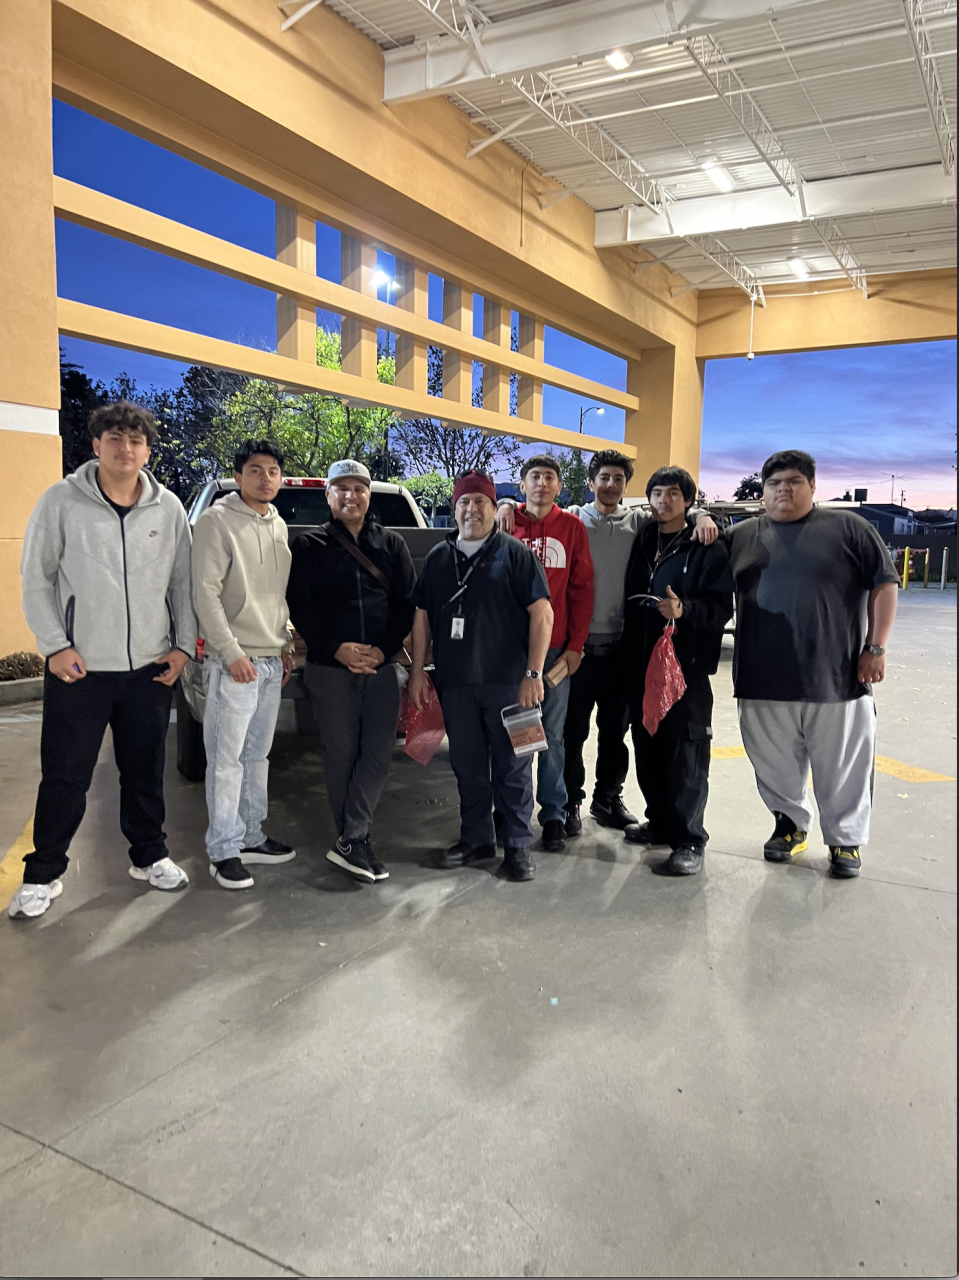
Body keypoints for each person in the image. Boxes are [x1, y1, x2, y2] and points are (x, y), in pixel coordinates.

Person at [10, 401, 195, 920]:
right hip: (81, 670)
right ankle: (43, 873)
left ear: (148, 450)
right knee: (66, 775)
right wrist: (55, 644)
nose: (125, 449)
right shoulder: (61, 501)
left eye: (135, 441)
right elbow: (36, 578)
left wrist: (183, 646)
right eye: (114, 438)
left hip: (149, 669)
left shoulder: (168, 509)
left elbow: (182, 585)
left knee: (144, 772)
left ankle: (149, 855)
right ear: (96, 445)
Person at [498, 450, 717, 837]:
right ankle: (569, 802)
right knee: (569, 732)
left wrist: (703, 515)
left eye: (618, 479)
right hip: (569, 649)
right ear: (590, 482)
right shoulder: (574, 518)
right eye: (604, 477)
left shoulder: (639, 522)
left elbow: (674, 514)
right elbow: (526, 510)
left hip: (619, 647)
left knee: (615, 732)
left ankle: (607, 796)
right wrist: (504, 504)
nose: (611, 485)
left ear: (626, 485)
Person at [725, 449, 899, 879]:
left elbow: (884, 584)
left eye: (794, 482)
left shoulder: (848, 529)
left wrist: (876, 647)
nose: (783, 490)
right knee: (773, 762)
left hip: (836, 675)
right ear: (762, 491)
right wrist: (700, 520)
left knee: (843, 764)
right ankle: (790, 825)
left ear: (813, 486)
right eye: (774, 483)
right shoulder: (740, 536)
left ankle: (844, 840)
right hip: (761, 675)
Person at [411, 469, 553, 882]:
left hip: (511, 685)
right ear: (454, 509)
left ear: (494, 507)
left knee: (515, 767)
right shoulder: (439, 558)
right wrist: (418, 672)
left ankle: (518, 845)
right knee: (468, 766)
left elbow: (542, 614)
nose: (471, 510)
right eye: (464, 503)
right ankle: (476, 839)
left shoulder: (516, 555)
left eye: (480, 502)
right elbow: (422, 617)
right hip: (456, 684)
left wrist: (534, 673)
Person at [287, 459, 416, 884]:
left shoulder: (392, 544)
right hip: (330, 668)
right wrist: (336, 649)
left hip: (381, 668)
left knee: (378, 753)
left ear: (368, 495)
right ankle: (355, 840)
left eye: (358, 488)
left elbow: (406, 605)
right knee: (341, 754)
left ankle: (352, 838)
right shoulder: (309, 546)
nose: (350, 496)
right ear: (328, 496)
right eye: (341, 488)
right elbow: (300, 607)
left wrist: (383, 651)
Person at [192, 440, 295, 891]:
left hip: (270, 659)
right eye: (255, 470)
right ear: (238, 476)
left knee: (257, 757)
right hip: (235, 662)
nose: (265, 478)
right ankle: (223, 851)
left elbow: (276, 596)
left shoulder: (278, 524)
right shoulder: (216, 522)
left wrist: (285, 642)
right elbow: (205, 593)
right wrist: (231, 652)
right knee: (226, 761)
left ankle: (251, 835)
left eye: (272, 471)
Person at [621, 466, 734, 874]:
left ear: (688, 500)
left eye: (673, 494)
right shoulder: (644, 537)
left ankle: (689, 839)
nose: (663, 501)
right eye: (657, 493)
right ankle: (660, 821)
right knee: (648, 743)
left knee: (686, 752)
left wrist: (684, 610)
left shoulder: (706, 545)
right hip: (640, 664)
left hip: (685, 668)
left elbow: (721, 608)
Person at [495, 456, 593, 852]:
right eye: (534, 476)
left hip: (555, 650)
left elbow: (582, 588)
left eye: (549, 477)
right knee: (513, 733)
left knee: (552, 734)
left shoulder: (571, 527)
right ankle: (507, 810)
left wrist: (576, 645)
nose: (542, 483)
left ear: (559, 486)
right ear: (521, 485)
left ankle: (553, 812)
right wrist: (503, 505)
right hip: (508, 649)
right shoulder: (504, 522)